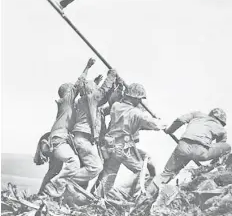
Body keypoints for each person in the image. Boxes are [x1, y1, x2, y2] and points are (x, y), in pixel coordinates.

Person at [141, 108, 231, 207]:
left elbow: (180, 120)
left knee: (166, 174)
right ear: (221, 121)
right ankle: (211, 167)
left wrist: (169, 130)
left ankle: (145, 197)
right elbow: (220, 146)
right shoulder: (221, 129)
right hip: (200, 152)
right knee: (227, 147)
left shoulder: (197, 114)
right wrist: (212, 164)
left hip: (183, 147)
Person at [94, 83, 166, 197]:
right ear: (135, 98)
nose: (140, 102)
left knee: (109, 175)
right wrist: (160, 122)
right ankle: (120, 194)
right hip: (124, 146)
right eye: (139, 99)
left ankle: (98, 198)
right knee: (144, 173)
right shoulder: (136, 113)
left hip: (110, 146)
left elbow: (135, 122)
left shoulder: (116, 106)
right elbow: (153, 124)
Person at [43, 58, 95, 198]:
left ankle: (46, 194)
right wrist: (87, 67)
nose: (75, 92)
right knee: (74, 162)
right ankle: (52, 188)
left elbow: (86, 94)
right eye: (71, 90)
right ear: (67, 93)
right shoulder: (66, 101)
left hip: (61, 140)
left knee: (55, 169)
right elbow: (78, 86)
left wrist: (93, 83)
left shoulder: (69, 106)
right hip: (59, 139)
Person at [70, 68, 118, 189]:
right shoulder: (91, 98)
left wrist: (114, 87)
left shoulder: (82, 102)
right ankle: (64, 179)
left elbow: (104, 97)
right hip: (84, 139)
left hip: (80, 138)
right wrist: (111, 75)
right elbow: (103, 90)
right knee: (96, 167)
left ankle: (70, 187)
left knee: (91, 167)